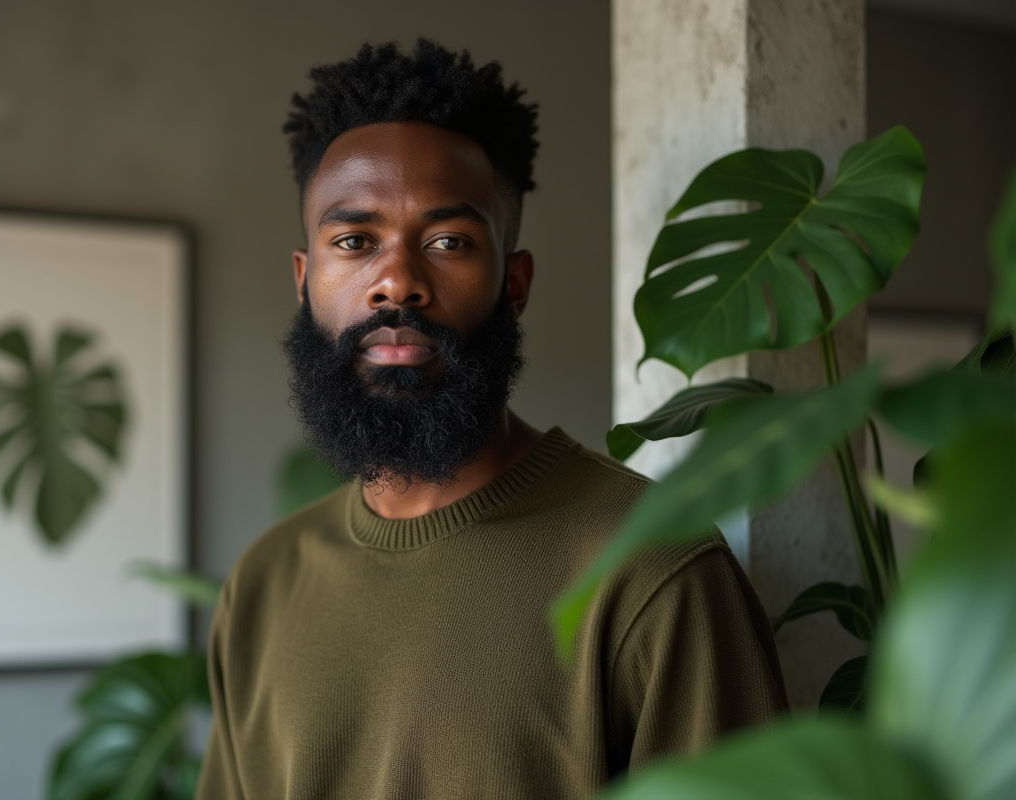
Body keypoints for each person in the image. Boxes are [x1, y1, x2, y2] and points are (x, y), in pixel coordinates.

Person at [196, 39, 787, 800]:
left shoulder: (651, 570)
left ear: (514, 281)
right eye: (354, 241)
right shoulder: (263, 583)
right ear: (305, 281)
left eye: (448, 242)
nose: (397, 283)